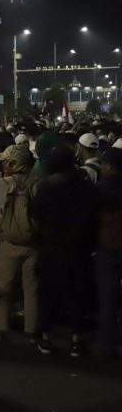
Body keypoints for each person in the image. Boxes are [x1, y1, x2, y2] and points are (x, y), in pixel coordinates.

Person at [30, 146, 99, 356]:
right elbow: (93, 217)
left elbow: (34, 215)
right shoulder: (85, 186)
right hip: (79, 248)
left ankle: (45, 338)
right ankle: (77, 340)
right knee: (78, 295)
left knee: (49, 295)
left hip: (51, 248)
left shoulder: (45, 187)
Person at [0, 145, 39, 342]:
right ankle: (32, 329)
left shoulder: (0, 183)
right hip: (32, 242)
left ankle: (1, 328)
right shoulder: (37, 184)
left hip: (8, 241)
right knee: (32, 288)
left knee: (4, 286)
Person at [94, 147, 122, 358]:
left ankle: (106, 344)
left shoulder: (99, 190)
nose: (100, 166)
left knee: (108, 298)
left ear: (110, 166)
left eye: (103, 163)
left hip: (107, 248)